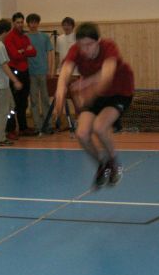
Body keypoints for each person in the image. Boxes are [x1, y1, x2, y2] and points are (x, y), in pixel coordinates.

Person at [54, 22, 134, 188]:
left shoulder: (109, 47)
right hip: (96, 94)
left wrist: (86, 87)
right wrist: (60, 90)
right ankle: (102, 164)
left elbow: (106, 76)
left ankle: (114, 161)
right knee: (82, 134)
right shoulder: (76, 50)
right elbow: (66, 71)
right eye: (81, 46)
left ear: (98, 41)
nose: (85, 50)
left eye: (89, 45)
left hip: (119, 92)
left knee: (99, 127)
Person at [0, 19, 23, 146]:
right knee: (3, 110)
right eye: (9, 31)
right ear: (5, 31)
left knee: (10, 105)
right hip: (1, 82)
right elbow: (4, 65)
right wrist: (15, 80)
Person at [4, 12, 36, 137]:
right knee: (13, 103)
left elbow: (34, 52)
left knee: (23, 102)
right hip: (14, 72)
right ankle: (10, 129)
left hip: (25, 71)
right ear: (13, 23)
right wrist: (25, 51)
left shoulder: (24, 36)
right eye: (17, 22)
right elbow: (14, 55)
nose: (20, 24)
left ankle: (23, 128)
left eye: (22, 22)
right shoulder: (9, 37)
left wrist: (21, 51)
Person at [26, 13, 54, 134]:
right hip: (30, 73)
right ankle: (37, 125)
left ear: (38, 23)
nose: (33, 25)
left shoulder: (44, 37)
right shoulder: (24, 38)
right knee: (33, 101)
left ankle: (48, 124)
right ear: (28, 24)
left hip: (43, 72)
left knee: (45, 99)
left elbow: (50, 53)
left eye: (35, 22)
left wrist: (50, 70)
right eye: (31, 22)